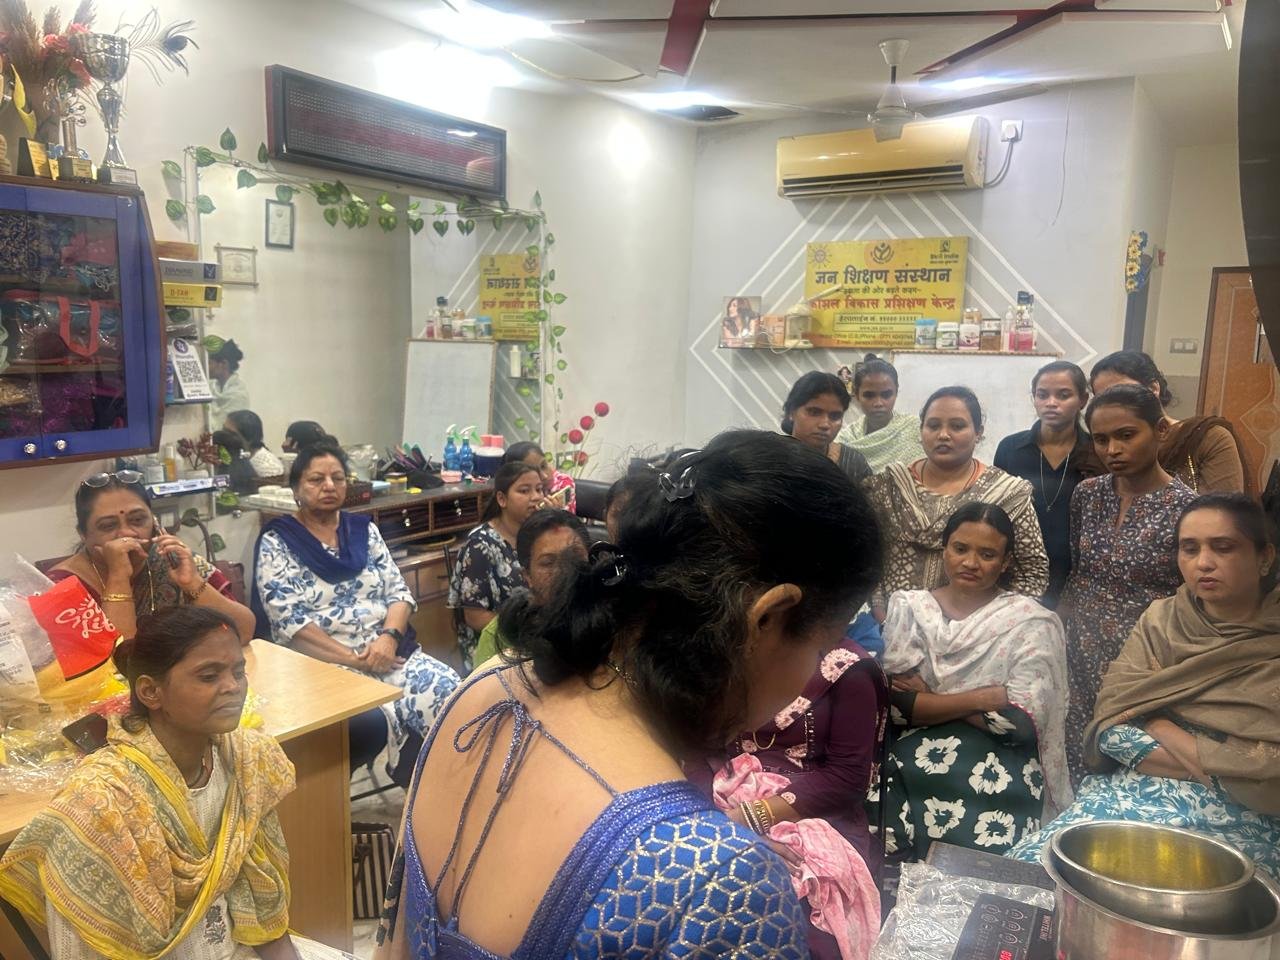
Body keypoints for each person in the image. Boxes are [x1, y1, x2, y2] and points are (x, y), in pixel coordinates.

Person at [375, 431, 884, 959]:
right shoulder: (723, 879)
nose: (815, 672)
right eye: (822, 647)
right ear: (768, 618)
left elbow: (394, 940)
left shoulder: (486, 687)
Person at [0, 607, 305, 959]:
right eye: (209, 676)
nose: (234, 687)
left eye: (239, 671)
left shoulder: (249, 761)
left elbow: (264, 904)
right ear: (150, 692)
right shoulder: (100, 801)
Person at [1011, 494, 1280, 877]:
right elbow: (1112, 727)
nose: (1203, 562)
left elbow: (1271, 776)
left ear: (1265, 557)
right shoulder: (1162, 622)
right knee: (1033, 872)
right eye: (1190, 548)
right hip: (1135, 794)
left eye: (1223, 547)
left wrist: (1157, 725)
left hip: (1247, 820)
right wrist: (1225, 765)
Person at [875, 503, 1071, 861]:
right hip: (906, 759)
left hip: (1000, 765)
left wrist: (931, 697)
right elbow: (896, 709)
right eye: (960, 548)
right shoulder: (910, 609)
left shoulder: (1031, 623)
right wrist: (981, 699)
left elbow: (1019, 726)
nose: (970, 562)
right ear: (944, 549)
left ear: (1006, 562)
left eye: (987, 554)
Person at [252, 443, 459, 779]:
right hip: (324, 666)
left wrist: (389, 639)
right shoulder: (278, 541)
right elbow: (289, 622)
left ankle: (439, 789)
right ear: (296, 490)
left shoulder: (363, 531)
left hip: (389, 653)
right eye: (316, 479)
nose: (329, 486)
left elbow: (399, 593)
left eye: (337, 478)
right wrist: (354, 659)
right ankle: (395, 780)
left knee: (450, 689)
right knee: (368, 722)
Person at [1058, 384, 1197, 785]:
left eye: (1126, 435)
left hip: (1144, 658)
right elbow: (1079, 571)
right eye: (1101, 439)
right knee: (1073, 749)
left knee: (1129, 759)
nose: (1112, 450)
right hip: (1078, 646)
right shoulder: (1087, 495)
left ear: (1160, 431)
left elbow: (1191, 596)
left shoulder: (1188, 508)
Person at [863, 386, 1050, 616]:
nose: (943, 435)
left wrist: (998, 624)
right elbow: (867, 557)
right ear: (921, 430)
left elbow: (1032, 570)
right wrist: (881, 614)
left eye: (957, 426)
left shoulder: (1006, 493)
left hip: (981, 629)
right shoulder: (889, 487)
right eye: (933, 426)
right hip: (895, 623)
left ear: (978, 432)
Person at [49, 471, 256, 643]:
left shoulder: (174, 560)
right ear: (83, 534)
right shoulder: (61, 586)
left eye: (138, 520)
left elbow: (244, 632)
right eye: (108, 526)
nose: (127, 533)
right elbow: (116, 664)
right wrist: (119, 577)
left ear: (155, 523)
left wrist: (192, 582)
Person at [995, 361, 1105, 607]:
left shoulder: (1096, 451)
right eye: (1042, 395)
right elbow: (996, 512)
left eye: (1063, 395)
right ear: (1034, 398)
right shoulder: (1010, 448)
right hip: (1018, 571)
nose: (1051, 403)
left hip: (1077, 573)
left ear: (1083, 400)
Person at [1090, 350, 1252, 495]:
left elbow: (1223, 512)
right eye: (1102, 398)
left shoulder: (1206, 438)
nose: (1112, 405)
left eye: (1124, 392)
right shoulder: (1103, 449)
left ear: (1153, 388)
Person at [447, 461, 544, 670]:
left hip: (537, 636)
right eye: (524, 491)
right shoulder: (480, 545)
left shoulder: (538, 536)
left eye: (539, 489)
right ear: (502, 499)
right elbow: (475, 617)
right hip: (496, 645)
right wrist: (526, 632)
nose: (536, 497)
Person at [470, 509, 590, 669]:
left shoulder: (612, 619)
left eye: (575, 555)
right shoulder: (500, 636)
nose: (565, 570)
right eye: (548, 563)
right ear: (527, 576)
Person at [836, 356, 926, 471]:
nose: (878, 403)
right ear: (857, 395)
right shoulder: (846, 439)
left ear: (896, 393)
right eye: (869, 395)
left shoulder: (916, 429)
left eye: (886, 395)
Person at [781, 370, 871, 483]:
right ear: (791, 412)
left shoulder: (853, 463)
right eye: (814, 412)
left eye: (835, 416)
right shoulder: (769, 459)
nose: (825, 424)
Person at [504, 440, 576, 513]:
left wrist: (551, 515)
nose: (544, 476)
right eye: (534, 472)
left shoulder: (562, 482)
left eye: (543, 466)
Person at [225, 410, 285, 479]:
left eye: (230, 433)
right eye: (223, 430)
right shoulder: (236, 456)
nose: (223, 436)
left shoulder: (269, 468)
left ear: (249, 438)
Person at [207, 338, 251, 423]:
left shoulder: (238, 396)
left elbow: (223, 426)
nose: (206, 367)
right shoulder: (211, 386)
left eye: (209, 363)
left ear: (224, 364)